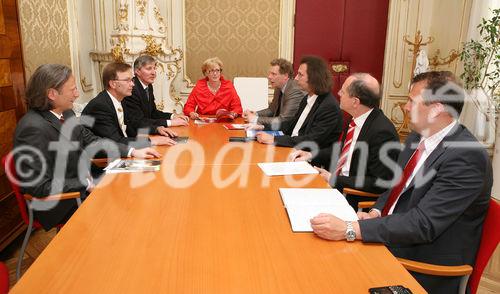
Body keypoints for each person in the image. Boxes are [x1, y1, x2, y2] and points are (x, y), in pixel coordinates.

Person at [309, 71, 492, 293]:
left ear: (437, 108)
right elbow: (396, 185)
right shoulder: (418, 136)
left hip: (422, 265)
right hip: (392, 237)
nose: (405, 107)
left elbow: (423, 224)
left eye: (411, 101)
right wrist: (376, 212)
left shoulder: (466, 157)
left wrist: (351, 229)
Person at [13, 64, 160, 230]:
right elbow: (39, 186)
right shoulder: (32, 129)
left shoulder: (65, 113)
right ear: (52, 94)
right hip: (63, 200)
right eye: (73, 89)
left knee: (140, 185)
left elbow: (91, 140)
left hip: (84, 180)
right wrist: (85, 184)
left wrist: (132, 151)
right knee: (128, 207)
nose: (77, 94)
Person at [289, 73, 400, 208]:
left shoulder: (382, 132)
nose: (338, 93)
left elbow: (379, 182)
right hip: (335, 187)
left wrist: (334, 179)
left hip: (352, 198)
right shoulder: (355, 119)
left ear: (355, 102)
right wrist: (310, 154)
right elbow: (341, 151)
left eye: (343, 91)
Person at [250, 55, 342, 149]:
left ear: (314, 78)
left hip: (306, 157)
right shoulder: (306, 98)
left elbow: (311, 140)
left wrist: (273, 139)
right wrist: (263, 127)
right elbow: (290, 125)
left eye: (300, 75)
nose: (296, 78)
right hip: (292, 147)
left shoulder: (328, 106)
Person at [82, 62, 177, 147]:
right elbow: (115, 141)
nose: (132, 84)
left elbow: (134, 124)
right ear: (113, 84)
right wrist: (151, 140)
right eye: (127, 80)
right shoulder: (100, 106)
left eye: (132, 80)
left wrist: (157, 129)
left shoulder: (121, 99)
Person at [122, 55, 189, 137]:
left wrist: (173, 116)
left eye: (154, 68)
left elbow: (153, 113)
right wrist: (170, 123)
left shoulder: (148, 85)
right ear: (137, 71)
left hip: (147, 130)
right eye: (149, 68)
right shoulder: (131, 89)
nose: (153, 72)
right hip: (136, 137)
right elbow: (138, 122)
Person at [242, 58, 304, 124]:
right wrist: (256, 114)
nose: (269, 77)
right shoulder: (278, 87)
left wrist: (255, 119)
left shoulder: (294, 91)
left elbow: (284, 120)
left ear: (285, 76)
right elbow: (271, 110)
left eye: (273, 74)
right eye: (270, 73)